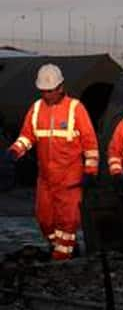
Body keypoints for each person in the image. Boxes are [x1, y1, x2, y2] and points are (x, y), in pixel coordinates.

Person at [7, 64, 99, 260]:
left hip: (70, 178)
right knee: (45, 219)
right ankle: (61, 248)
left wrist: (91, 170)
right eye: (43, 91)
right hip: (46, 178)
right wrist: (16, 150)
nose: (47, 95)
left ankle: (62, 258)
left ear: (61, 87)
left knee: (67, 222)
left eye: (50, 91)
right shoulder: (36, 108)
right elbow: (27, 136)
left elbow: (89, 142)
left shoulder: (76, 109)